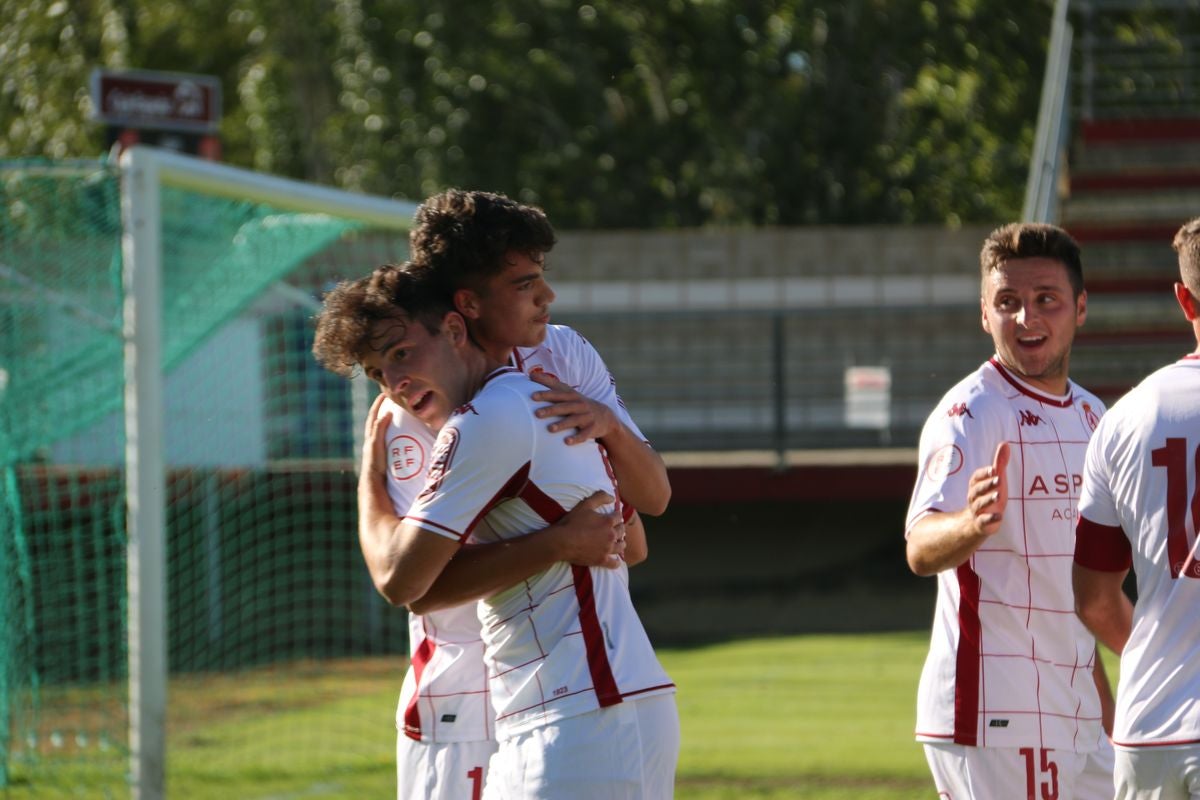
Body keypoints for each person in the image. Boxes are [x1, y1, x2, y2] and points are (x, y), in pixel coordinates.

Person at [314, 190, 673, 799]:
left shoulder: (549, 366)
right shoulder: (411, 411)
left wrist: (605, 429)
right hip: (470, 695)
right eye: (523, 283)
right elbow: (411, 588)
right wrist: (558, 541)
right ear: (464, 306)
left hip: (570, 690)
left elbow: (633, 525)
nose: (546, 297)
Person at [904, 222, 1116, 798]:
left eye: (1046, 300)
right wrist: (971, 524)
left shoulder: (1096, 417)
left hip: (1078, 715)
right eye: (1008, 302)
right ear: (983, 314)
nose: (1027, 318)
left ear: (1080, 308)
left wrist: (1116, 712)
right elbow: (920, 546)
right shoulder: (971, 412)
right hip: (994, 715)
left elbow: (1077, 597)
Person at [1073, 216, 1200, 799]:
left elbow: (1095, 599)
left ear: (1183, 298)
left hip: (1148, 729)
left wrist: (1163, 647)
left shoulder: (1124, 417)